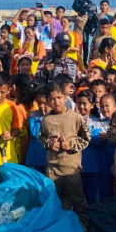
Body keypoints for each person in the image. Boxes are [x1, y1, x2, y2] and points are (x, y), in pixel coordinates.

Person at [39, 82, 91, 214]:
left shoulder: (76, 117)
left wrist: (71, 145)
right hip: (52, 169)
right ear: (47, 100)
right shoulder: (46, 120)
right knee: (52, 203)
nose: (56, 102)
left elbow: (86, 138)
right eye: (51, 99)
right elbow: (42, 139)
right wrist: (50, 143)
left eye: (59, 98)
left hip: (71, 169)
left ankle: (82, 229)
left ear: (65, 97)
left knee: (78, 203)